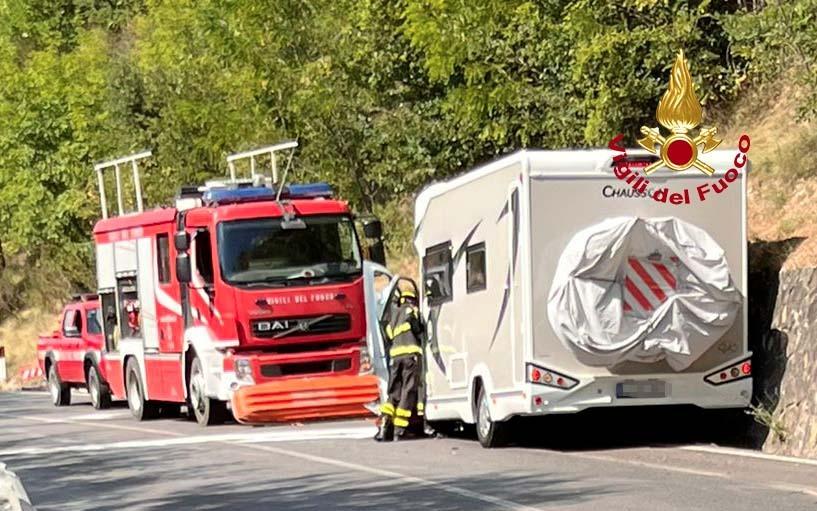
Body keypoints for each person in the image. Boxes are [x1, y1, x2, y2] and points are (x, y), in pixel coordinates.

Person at [375, 288, 424, 442]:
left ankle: (385, 422)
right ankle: (399, 430)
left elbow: (389, 335)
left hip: (396, 358)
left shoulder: (393, 315)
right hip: (410, 356)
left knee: (394, 392)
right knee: (408, 391)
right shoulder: (411, 310)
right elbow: (417, 329)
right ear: (411, 300)